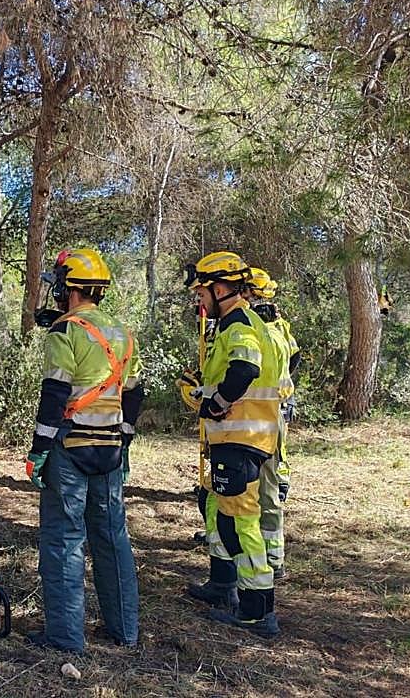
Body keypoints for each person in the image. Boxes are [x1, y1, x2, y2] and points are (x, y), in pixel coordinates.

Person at [23, 248, 143, 652]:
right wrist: (124, 440)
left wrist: (39, 449)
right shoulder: (122, 332)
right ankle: (125, 631)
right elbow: (134, 393)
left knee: (64, 540)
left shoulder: (66, 331)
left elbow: (55, 392)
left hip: (70, 448)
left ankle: (65, 636)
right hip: (109, 450)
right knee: (112, 538)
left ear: (66, 288)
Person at [182, 251, 284, 638]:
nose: (199, 299)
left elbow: (245, 368)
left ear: (220, 288)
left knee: (241, 524)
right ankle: (243, 597)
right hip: (241, 439)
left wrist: (216, 403)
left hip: (242, 439)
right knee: (228, 520)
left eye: (202, 291)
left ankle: (258, 612)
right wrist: (202, 390)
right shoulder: (234, 324)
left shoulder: (239, 323)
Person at [245, 267, 300, 579]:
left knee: (265, 486)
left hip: (266, 414)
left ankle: (271, 559)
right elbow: (294, 358)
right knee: (264, 484)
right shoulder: (276, 324)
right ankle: (268, 555)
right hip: (271, 410)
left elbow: (292, 359)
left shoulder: (265, 326)